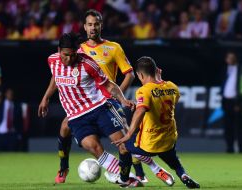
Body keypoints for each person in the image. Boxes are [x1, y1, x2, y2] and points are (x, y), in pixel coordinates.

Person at [39, 9, 150, 184]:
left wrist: (120, 99)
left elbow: (112, 83)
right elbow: (56, 75)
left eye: (96, 24)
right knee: (80, 138)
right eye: (89, 24)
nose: (69, 59)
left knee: (124, 142)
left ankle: (137, 174)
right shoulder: (54, 60)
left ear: (101, 25)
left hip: (100, 105)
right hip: (76, 113)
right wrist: (46, 97)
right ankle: (64, 167)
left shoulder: (92, 60)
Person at [113, 56, 200, 189]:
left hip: (150, 143)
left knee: (124, 146)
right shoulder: (172, 87)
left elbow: (141, 111)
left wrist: (129, 133)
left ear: (140, 74)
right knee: (174, 162)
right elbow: (162, 104)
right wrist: (140, 104)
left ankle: (124, 179)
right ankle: (183, 175)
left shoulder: (144, 90)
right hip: (168, 140)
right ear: (156, 71)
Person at [222, 52, 242, 153]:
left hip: (237, 101)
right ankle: (229, 148)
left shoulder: (241, 69)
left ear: (235, 58)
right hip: (226, 102)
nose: (229, 59)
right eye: (228, 57)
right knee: (228, 126)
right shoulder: (226, 70)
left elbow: (241, 87)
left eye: (231, 57)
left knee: (240, 126)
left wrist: (239, 102)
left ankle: (241, 148)